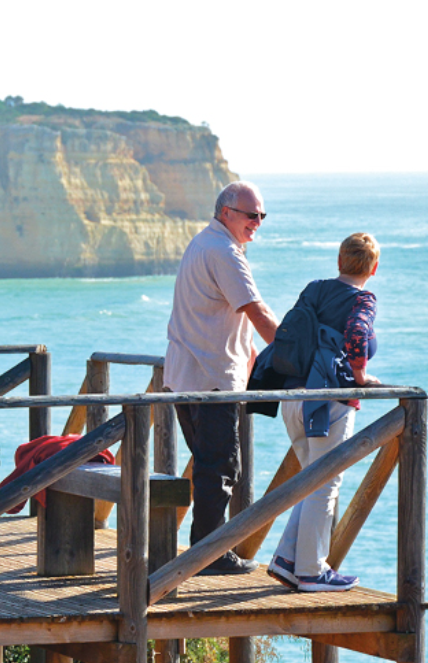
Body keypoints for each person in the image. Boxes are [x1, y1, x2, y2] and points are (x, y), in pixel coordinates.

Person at [164, 180, 279, 575]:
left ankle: (204, 550)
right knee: (222, 468)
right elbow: (256, 311)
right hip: (211, 377)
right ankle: (207, 555)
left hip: (185, 375)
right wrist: (293, 351)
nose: (258, 222)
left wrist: (251, 356)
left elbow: (228, 316)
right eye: (252, 215)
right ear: (226, 212)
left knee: (211, 464)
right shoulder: (225, 252)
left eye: (262, 215)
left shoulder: (201, 244)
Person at [267, 232, 381, 592]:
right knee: (324, 483)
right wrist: (360, 376)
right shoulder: (363, 299)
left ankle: (287, 559)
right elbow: (358, 333)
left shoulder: (315, 288)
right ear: (373, 268)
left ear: (339, 262)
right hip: (328, 401)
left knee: (311, 480)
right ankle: (312, 572)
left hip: (293, 395)